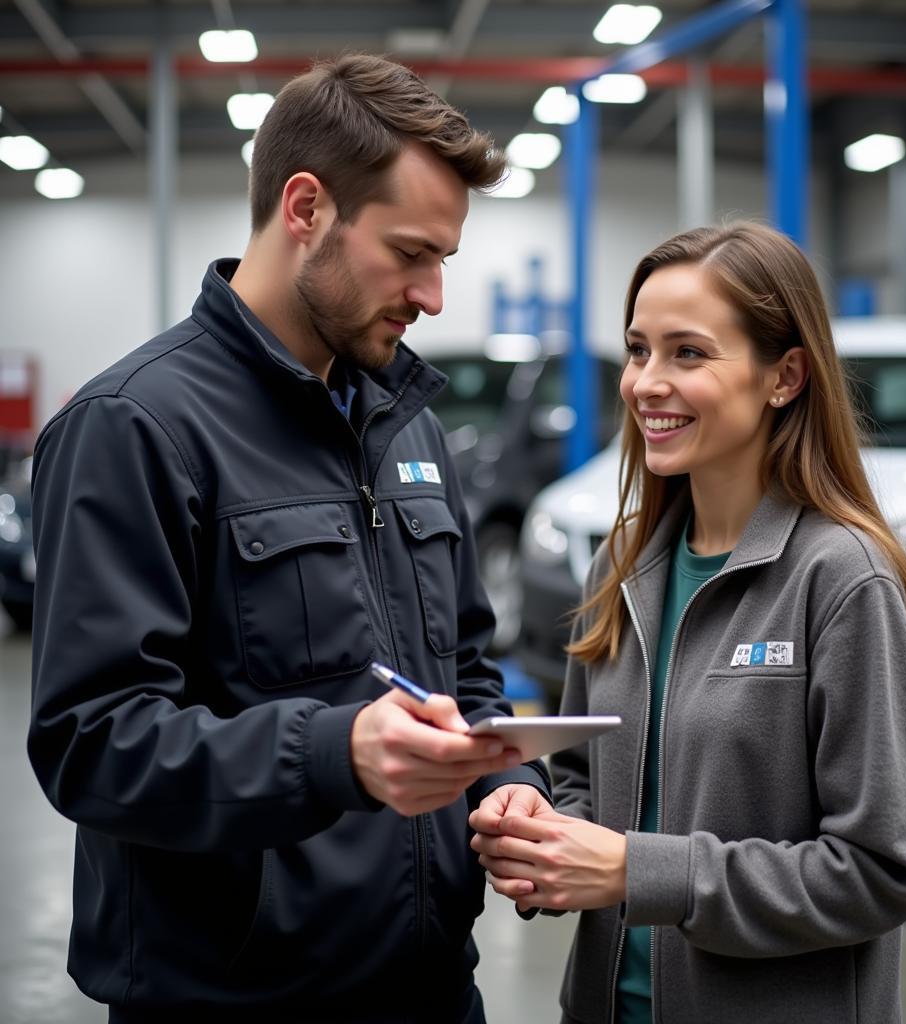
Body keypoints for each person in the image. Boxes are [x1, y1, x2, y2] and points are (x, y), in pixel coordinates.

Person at [27, 53, 552, 1024]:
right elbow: (91, 745)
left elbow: (467, 677)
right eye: (410, 253)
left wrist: (508, 783)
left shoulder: (410, 426)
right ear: (305, 207)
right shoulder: (136, 428)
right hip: (239, 1000)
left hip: (432, 987)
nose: (433, 296)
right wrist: (332, 753)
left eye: (444, 259)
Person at [470, 222, 906, 1023]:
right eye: (637, 350)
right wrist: (546, 835)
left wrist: (635, 872)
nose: (647, 383)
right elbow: (596, 784)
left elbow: (878, 872)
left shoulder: (841, 579)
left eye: (688, 353)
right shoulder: (623, 566)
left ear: (785, 377)